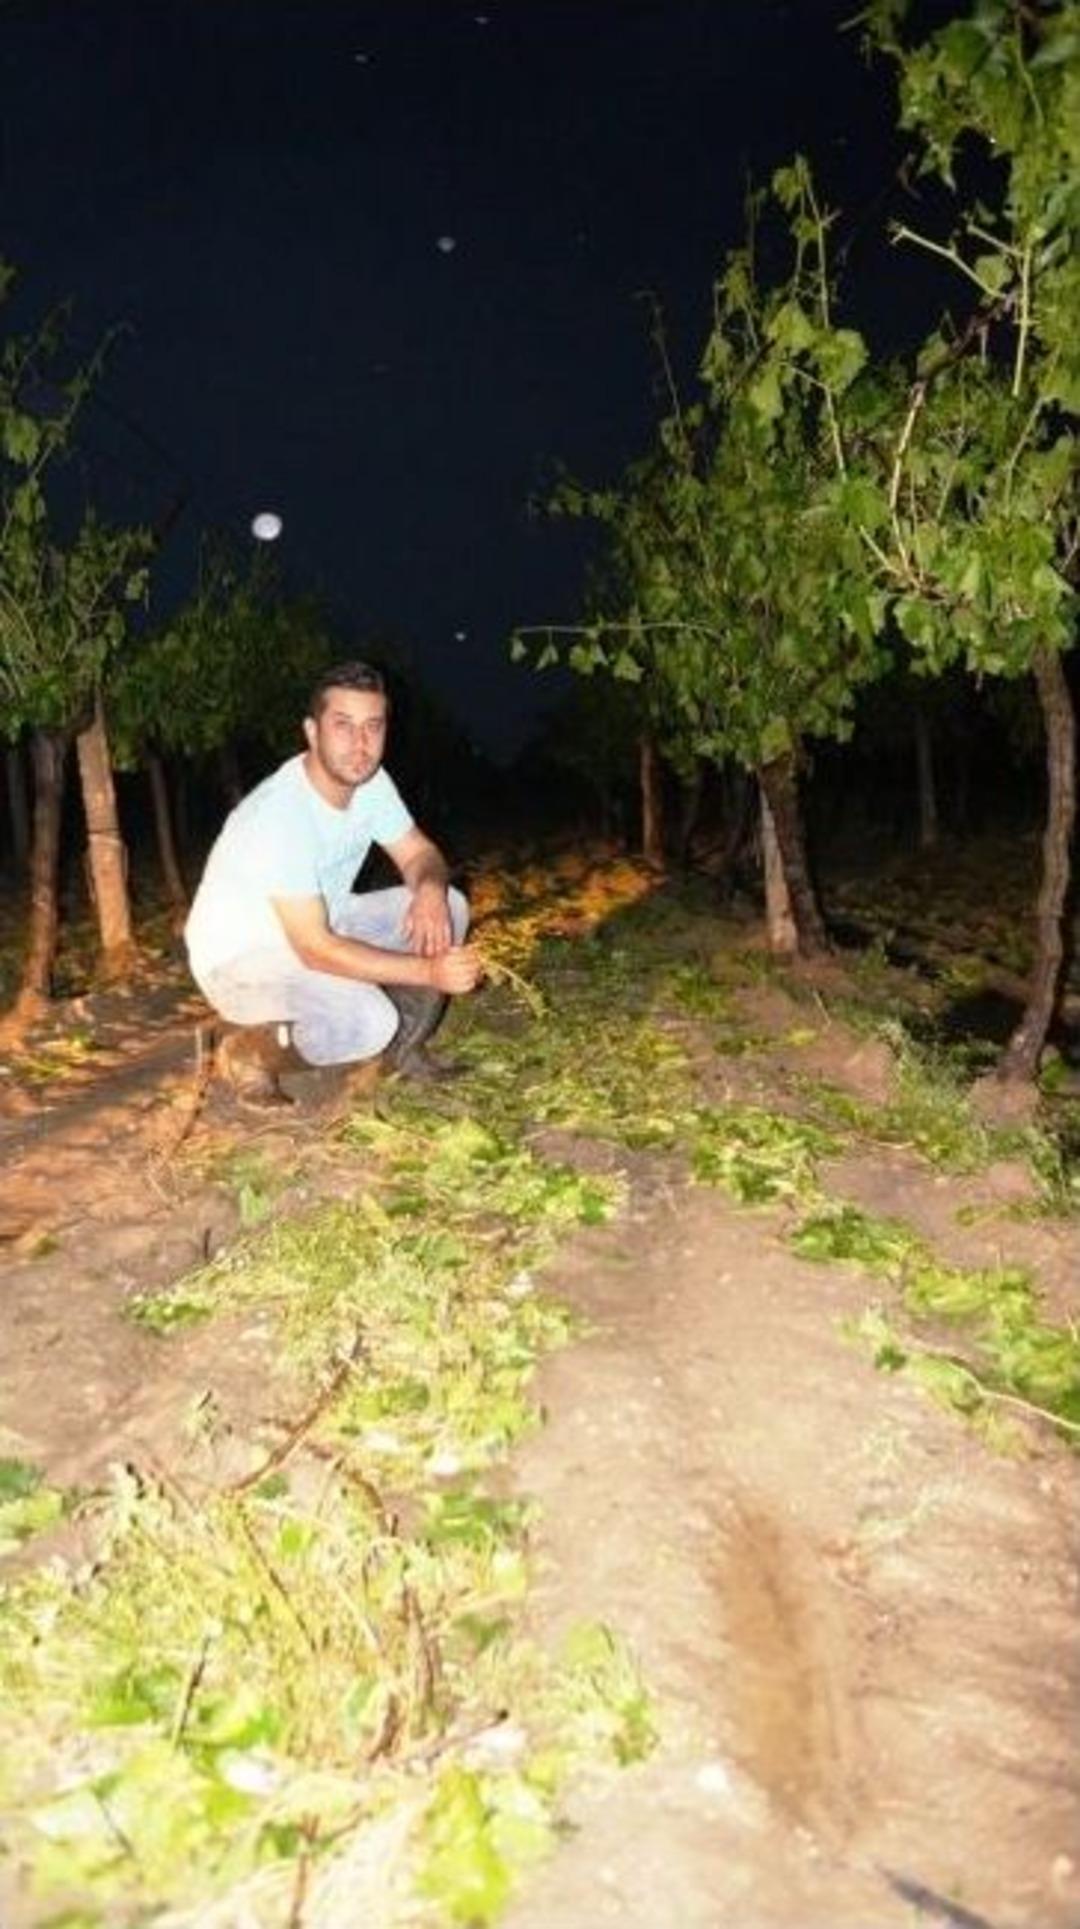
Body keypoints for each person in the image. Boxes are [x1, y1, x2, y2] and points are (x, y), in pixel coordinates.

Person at [185, 659, 482, 1105]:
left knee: (451, 906)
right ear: (312, 731)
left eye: (373, 727)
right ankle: (248, 1050)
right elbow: (314, 948)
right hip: (243, 961)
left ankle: (402, 1049)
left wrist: (430, 890)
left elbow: (420, 854)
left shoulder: (372, 783)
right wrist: (427, 971)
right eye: (343, 725)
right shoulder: (282, 813)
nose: (360, 744)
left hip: (325, 920)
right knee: (366, 1021)